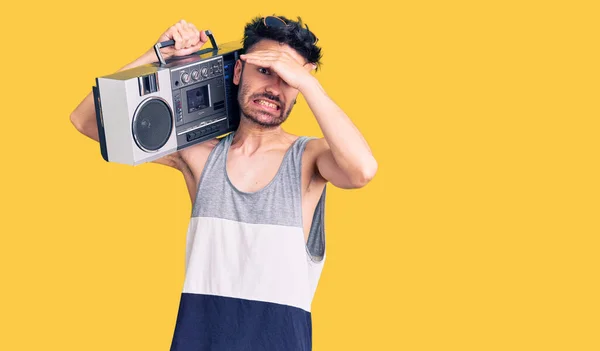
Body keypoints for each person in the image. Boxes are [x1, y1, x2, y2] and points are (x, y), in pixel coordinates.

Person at [70, 14, 378, 351]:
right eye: (264, 70)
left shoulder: (310, 159)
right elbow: (85, 120)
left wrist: (307, 82)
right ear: (237, 71)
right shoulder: (200, 157)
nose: (274, 88)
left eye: (287, 78)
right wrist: (156, 56)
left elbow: (362, 170)